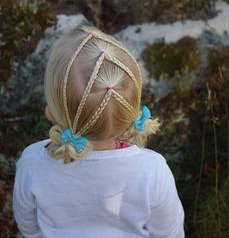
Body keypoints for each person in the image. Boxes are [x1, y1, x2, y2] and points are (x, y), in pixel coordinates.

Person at [13, 26, 185, 238]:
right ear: (130, 112)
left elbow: (29, 228)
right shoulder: (153, 171)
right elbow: (170, 233)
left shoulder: (32, 163)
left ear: (51, 113)